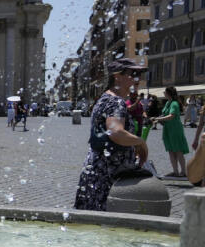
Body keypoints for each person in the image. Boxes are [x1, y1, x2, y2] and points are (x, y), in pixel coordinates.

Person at [75, 59, 149, 210]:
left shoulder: (105, 98)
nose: (137, 79)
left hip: (97, 168)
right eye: (133, 74)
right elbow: (116, 132)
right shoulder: (116, 102)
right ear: (117, 76)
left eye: (139, 75)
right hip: (108, 175)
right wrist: (140, 142)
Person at [150, 85, 188, 178]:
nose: (164, 94)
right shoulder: (168, 103)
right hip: (168, 129)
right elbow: (164, 114)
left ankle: (183, 172)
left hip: (175, 129)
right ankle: (175, 172)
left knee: (178, 150)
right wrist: (157, 119)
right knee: (171, 150)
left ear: (168, 93)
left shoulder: (174, 103)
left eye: (164, 92)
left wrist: (158, 118)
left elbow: (171, 116)